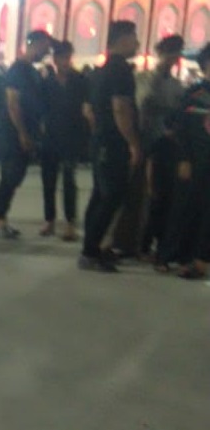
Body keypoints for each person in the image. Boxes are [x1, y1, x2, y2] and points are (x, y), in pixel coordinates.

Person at [79, 21, 141, 273]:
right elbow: (120, 108)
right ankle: (90, 252)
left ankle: (91, 247)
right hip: (114, 143)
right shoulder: (120, 70)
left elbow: (89, 111)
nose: (137, 43)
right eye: (134, 38)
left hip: (101, 141)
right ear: (123, 39)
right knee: (112, 196)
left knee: (100, 195)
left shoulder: (100, 71)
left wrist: (99, 134)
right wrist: (133, 143)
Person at [154, 43, 210, 279]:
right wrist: (185, 158)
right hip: (194, 161)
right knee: (182, 210)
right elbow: (180, 128)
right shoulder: (194, 95)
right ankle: (167, 255)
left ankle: (199, 259)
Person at [0, 30, 52, 238]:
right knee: (10, 175)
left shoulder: (32, 71)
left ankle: (1, 218)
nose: (47, 51)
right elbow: (13, 103)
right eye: (44, 47)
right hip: (12, 132)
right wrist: (22, 133)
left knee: (16, 175)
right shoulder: (18, 70)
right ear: (34, 44)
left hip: (24, 131)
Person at [132, 35, 186, 259]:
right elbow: (142, 101)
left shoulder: (177, 86)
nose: (172, 59)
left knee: (160, 196)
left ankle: (153, 241)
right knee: (139, 195)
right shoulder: (142, 78)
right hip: (143, 141)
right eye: (169, 53)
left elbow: (178, 113)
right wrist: (157, 76)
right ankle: (134, 242)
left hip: (166, 146)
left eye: (175, 54)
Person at [39, 41, 89, 241]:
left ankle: (70, 222)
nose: (65, 62)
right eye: (61, 58)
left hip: (71, 135)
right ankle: (49, 220)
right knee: (48, 180)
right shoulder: (47, 82)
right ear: (55, 59)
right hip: (50, 136)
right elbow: (41, 109)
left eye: (67, 57)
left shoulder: (80, 80)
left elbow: (86, 108)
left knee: (69, 180)